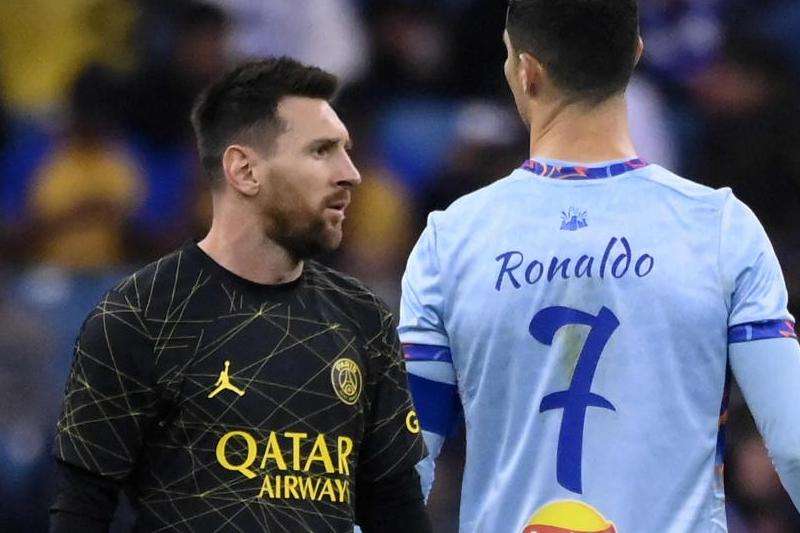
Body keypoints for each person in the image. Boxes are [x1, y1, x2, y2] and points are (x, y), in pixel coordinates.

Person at [399, 1, 800, 532]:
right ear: (635, 54)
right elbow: (794, 446)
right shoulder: (721, 228)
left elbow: (404, 468)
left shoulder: (451, 240)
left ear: (526, 70)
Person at [50, 57, 431, 533]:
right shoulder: (137, 316)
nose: (351, 173)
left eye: (346, 151)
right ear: (245, 170)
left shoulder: (364, 318)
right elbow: (82, 510)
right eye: (321, 151)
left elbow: (397, 508)